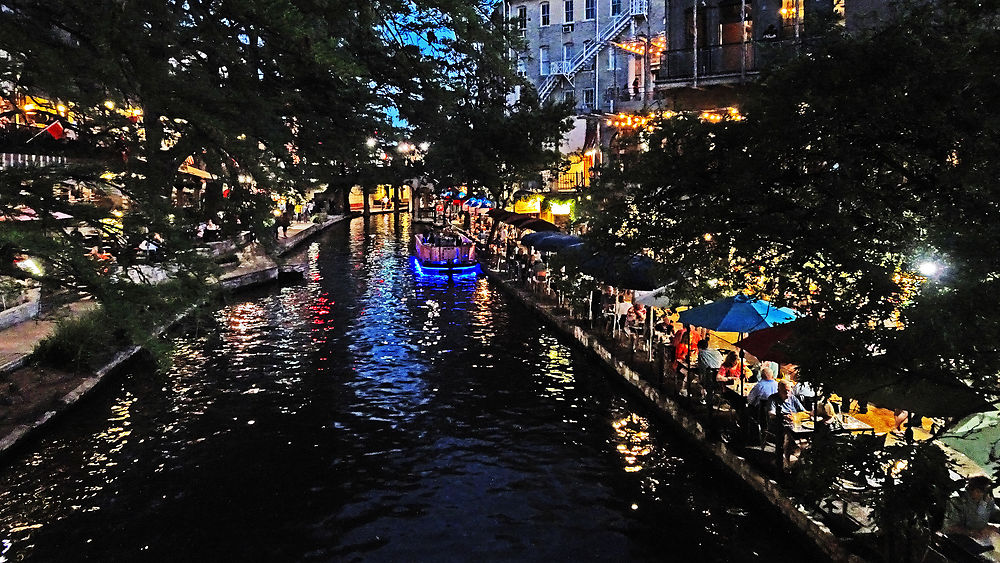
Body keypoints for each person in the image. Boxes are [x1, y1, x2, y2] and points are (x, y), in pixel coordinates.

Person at [943, 476, 1000, 542]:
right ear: (974, 490)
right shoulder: (957, 503)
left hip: (981, 541)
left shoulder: (985, 502)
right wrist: (971, 532)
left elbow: (995, 514)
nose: (987, 496)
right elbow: (949, 527)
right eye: (984, 492)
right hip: (956, 541)